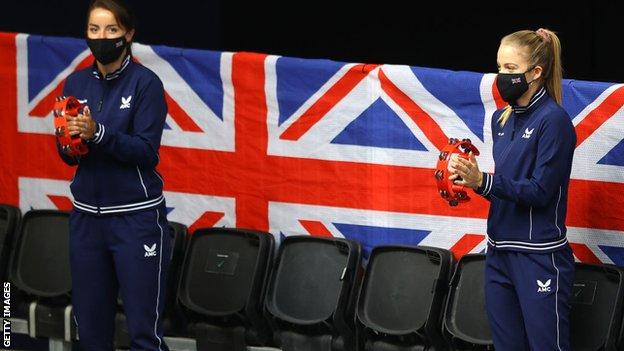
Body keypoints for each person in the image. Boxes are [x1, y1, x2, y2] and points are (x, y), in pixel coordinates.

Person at [449, 28, 576, 351]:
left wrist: (486, 182)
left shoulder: (555, 121)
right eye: (499, 67)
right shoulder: (501, 120)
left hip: (538, 257)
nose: (501, 76)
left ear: (536, 73)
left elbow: (540, 192)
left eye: (509, 69)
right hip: (499, 252)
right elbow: (508, 186)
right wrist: (473, 181)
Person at [56, 0, 170, 349]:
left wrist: (98, 134)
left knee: (142, 335)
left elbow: (146, 153)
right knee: (90, 334)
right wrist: (68, 140)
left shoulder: (146, 84)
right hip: (87, 221)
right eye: (94, 30)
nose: (101, 38)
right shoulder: (75, 82)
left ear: (128, 34)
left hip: (136, 221)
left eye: (111, 30)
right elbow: (69, 158)